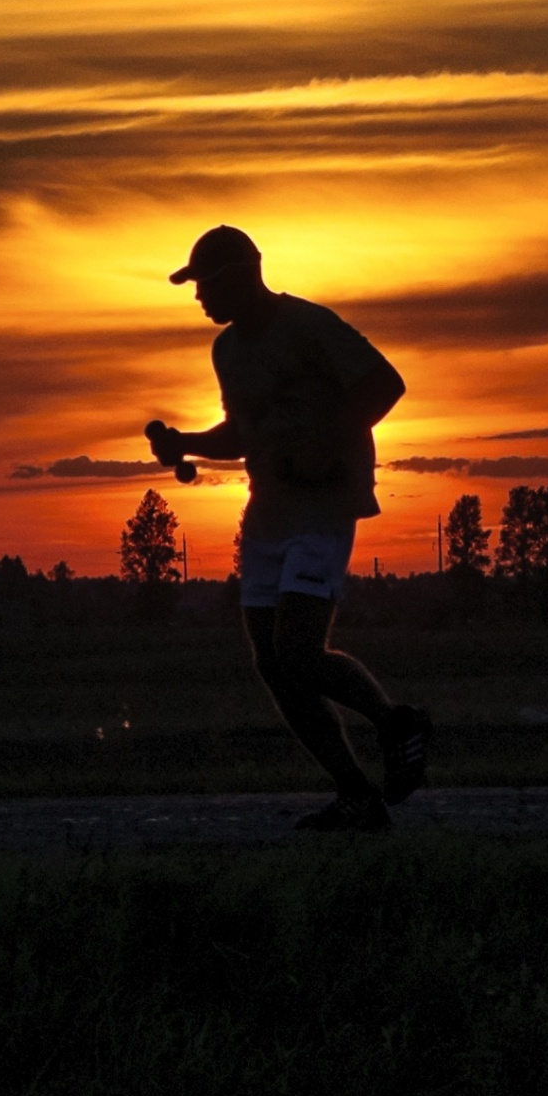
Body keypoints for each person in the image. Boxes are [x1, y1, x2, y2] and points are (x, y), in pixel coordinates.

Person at [147, 222, 431, 832]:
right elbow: (243, 432)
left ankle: (395, 724)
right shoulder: (227, 351)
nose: (199, 297)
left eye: (205, 284)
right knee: (274, 664)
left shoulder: (307, 326)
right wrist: (186, 443)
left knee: (298, 652)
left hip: (322, 509)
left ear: (242, 275)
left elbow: (385, 384)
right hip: (267, 514)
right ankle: (357, 795)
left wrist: (328, 447)